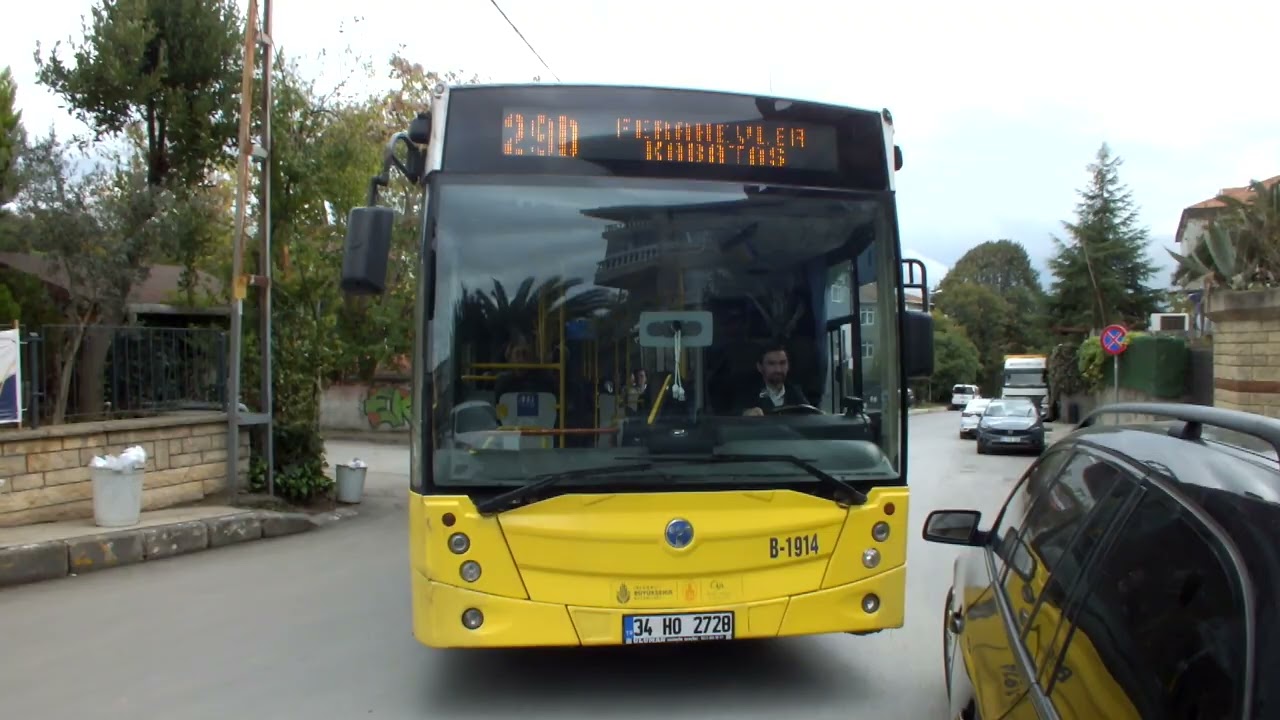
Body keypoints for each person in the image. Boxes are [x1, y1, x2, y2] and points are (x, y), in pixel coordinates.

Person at [738, 342, 811, 416]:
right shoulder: (748, 394)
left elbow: (810, 415)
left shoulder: (795, 392)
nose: (778, 370)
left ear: (788, 365)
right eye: (771, 363)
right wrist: (745, 414)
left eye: (782, 363)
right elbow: (732, 415)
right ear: (760, 367)